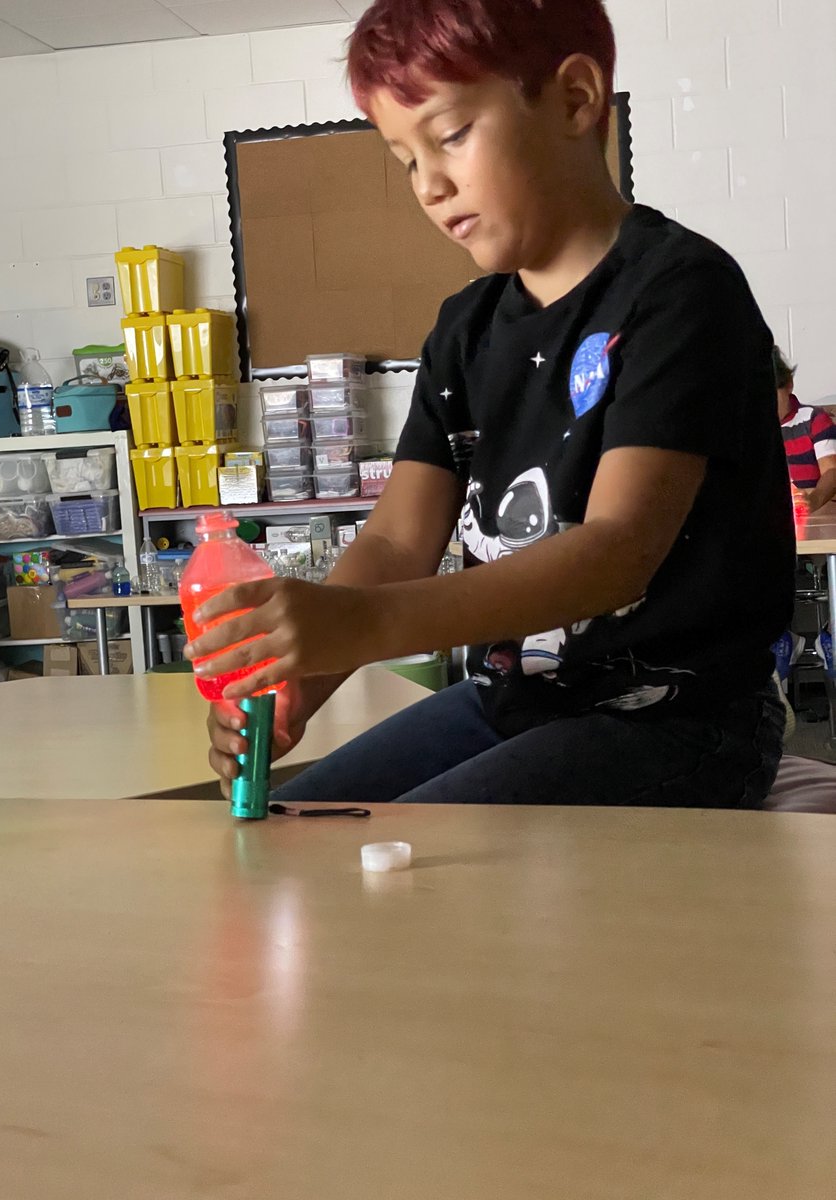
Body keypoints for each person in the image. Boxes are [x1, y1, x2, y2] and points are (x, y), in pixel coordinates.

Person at [191, 0, 795, 808]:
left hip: (676, 721)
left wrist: (360, 626)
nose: (430, 187)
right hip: (512, 702)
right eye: (405, 160)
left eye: (448, 136)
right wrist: (304, 674)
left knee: (385, 868)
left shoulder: (681, 290)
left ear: (577, 100)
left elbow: (617, 551)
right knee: (291, 840)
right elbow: (398, 540)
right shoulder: (464, 328)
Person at [774, 346, 836, 513]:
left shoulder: (813, 419)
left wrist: (813, 500)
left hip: (811, 516)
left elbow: (831, 471)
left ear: (788, 385)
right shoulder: (748, 429)